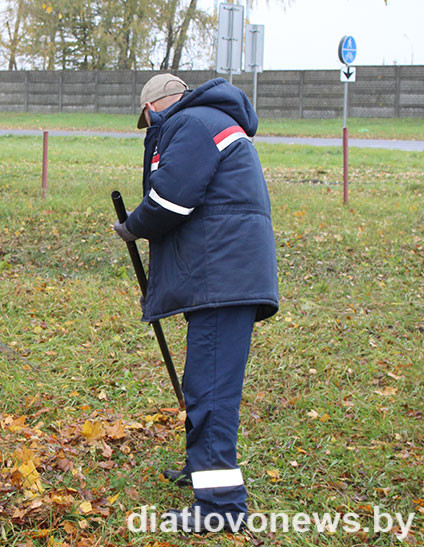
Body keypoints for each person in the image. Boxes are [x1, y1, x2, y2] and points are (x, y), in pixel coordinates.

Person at [113, 74, 279, 532]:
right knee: (204, 380)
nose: (149, 129)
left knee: (210, 390)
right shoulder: (210, 120)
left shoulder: (191, 124)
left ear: (152, 108)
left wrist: (132, 226)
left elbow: (171, 199)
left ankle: (221, 506)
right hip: (223, 272)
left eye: (147, 121)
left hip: (223, 276)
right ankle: (201, 468)